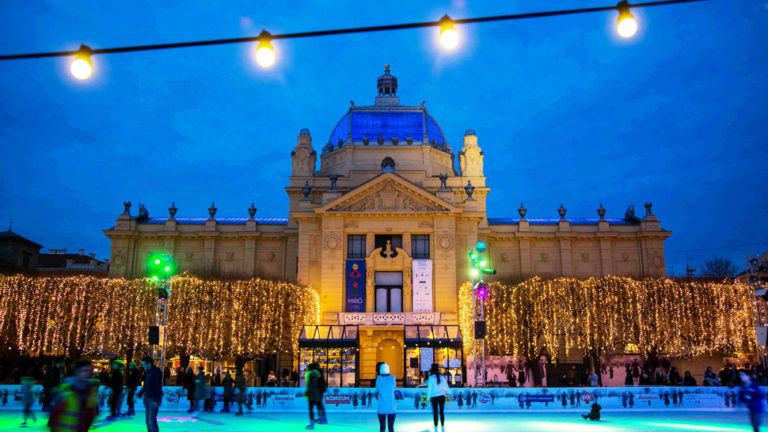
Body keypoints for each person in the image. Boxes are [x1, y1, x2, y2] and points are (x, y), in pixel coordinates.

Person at [48, 358, 98, 432]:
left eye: (89, 371)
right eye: (84, 371)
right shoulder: (66, 390)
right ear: (77, 372)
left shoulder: (91, 391)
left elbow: (91, 414)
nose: (88, 373)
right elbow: (54, 416)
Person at [136, 356, 163, 432]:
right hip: (147, 398)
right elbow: (145, 385)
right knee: (147, 420)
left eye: (144, 364)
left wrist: (157, 400)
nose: (143, 366)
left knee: (151, 420)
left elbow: (158, 386)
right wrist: (139, 394)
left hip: (153, 399)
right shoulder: (147, 372)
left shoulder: (156, 371)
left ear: (149, 363)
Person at [426, 363, 450, 431]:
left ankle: (436, 426)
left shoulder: (431, 377)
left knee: (435, 412)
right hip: (442, 396)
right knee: (442, 411)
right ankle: (442, 425)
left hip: (434, 397)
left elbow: (429, 389)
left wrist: (428, 398)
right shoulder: (442, 377)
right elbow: (445, 387)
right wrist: (448, 393)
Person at [305, 362, 327, 429]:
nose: (307, 369)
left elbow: (311, 385)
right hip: (317, 393)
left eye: (308, 368)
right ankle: (322, 418)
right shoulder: (319, 373)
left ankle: (313, 423)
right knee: (319, 405)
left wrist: (307, 392)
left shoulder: (312, 374)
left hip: (313, 393)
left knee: (311, 408)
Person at [375, 363, 396, 432]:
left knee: (382, 428)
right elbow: (394, 389)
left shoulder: (378, 379)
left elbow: (377, 392)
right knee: (391, 427)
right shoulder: (393, 378)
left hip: (381, 407)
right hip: (391, 407)